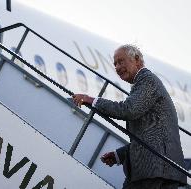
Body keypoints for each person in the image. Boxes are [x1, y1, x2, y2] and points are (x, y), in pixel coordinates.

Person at [73, 44, 187, 189]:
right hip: (157, 169)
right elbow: (151, 135)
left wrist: (92, 100)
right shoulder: (142, 83)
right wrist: (119, 154)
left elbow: (128, 110)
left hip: (154, 169)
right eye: (115, 64)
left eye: (121, 61)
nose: (118, 67)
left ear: (137, 60)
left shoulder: (147, 80)